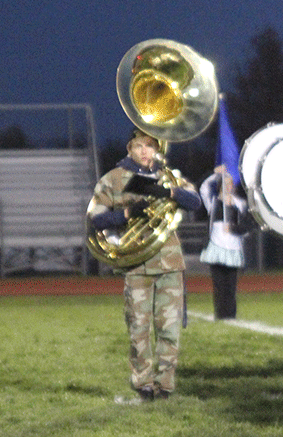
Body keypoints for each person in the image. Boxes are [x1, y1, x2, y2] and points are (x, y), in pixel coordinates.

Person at [87, 129, 202, 401]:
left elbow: (195, 201)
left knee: (170, 329)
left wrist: (170, 191)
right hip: (136, 263)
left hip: (170, 262)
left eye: (150, 146)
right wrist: (127, 213)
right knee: (138, 328)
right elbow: (95, 219)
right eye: (139, 146)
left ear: (158, 149)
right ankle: (144, 384)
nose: (144, 151)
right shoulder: (113, 179)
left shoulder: (168, 175)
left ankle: (166, 385)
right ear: (130, 148)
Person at [199, 166, 252, 320]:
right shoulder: (213, 202)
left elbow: (247, 227)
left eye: (230, 183)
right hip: (216, 248)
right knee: (219, 284)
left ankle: (231, 314)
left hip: (233, 248)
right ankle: (220, 314)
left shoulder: (240, 204)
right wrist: (215, 173)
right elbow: (203, 188)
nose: (228, 186)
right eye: (225, 183)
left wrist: (234, 228)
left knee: (231, 285)